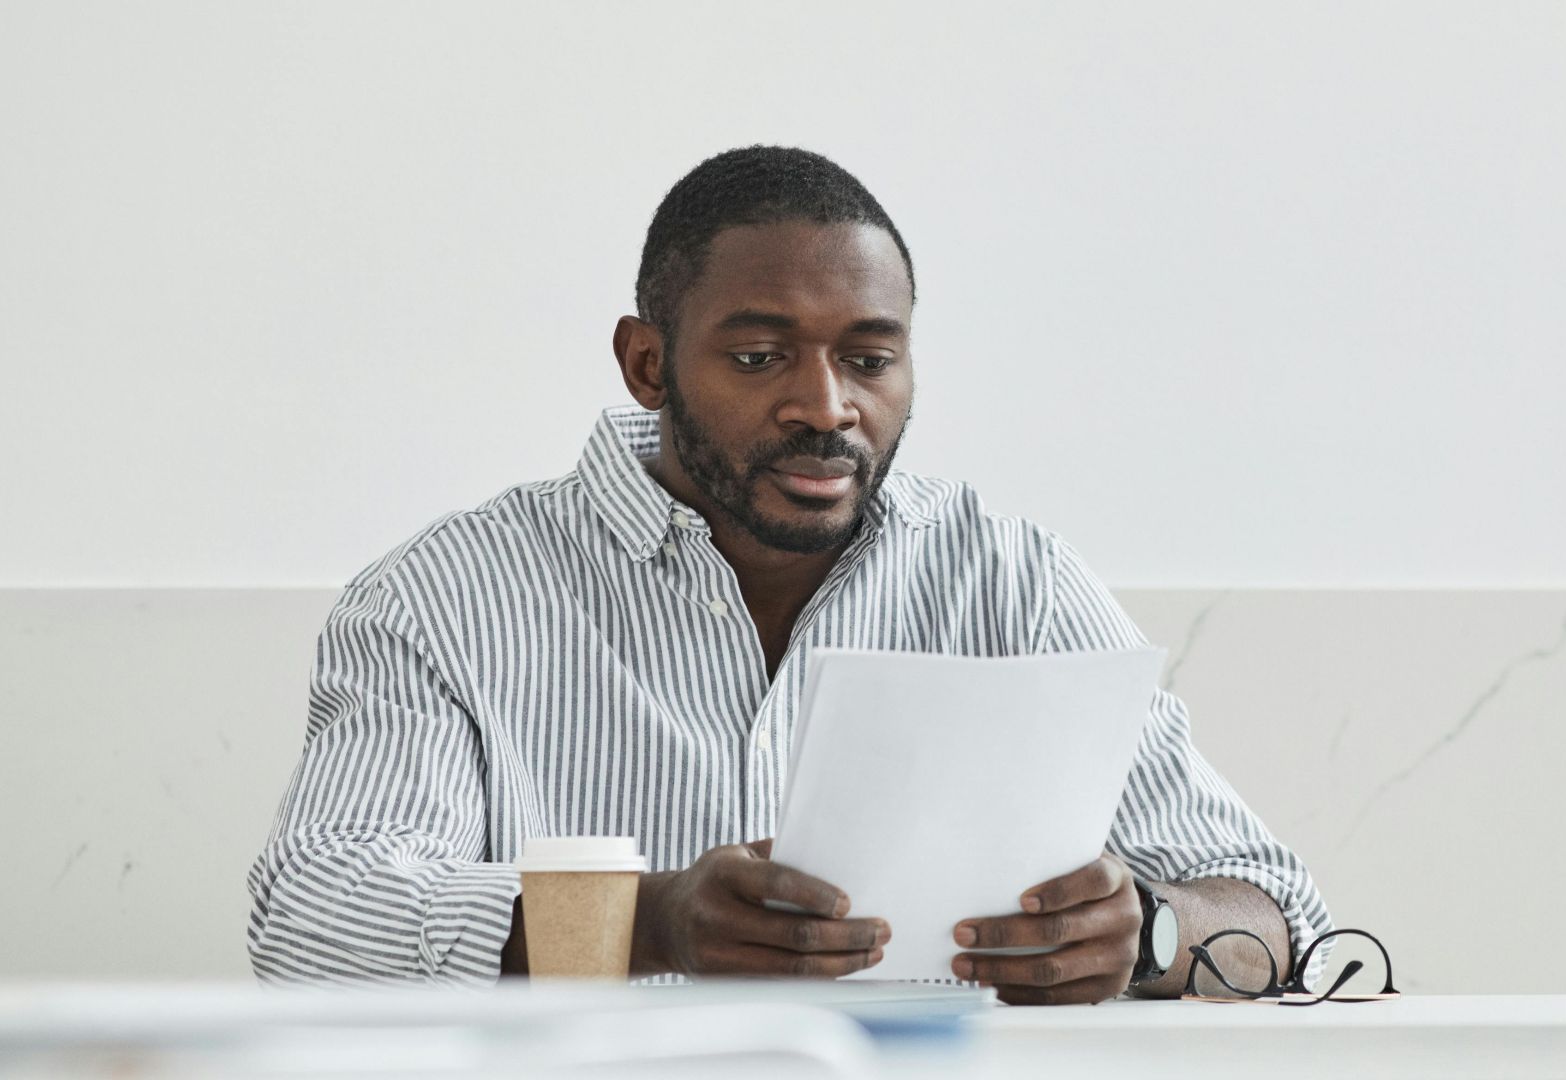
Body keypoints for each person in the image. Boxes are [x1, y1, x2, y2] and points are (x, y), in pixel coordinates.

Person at [245, 145, 1333, 1004]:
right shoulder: (443, 599)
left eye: (869, 358)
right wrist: (646, 923)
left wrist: (1153, 930)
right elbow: (314, 916)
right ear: (647, 363)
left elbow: (1283, 909)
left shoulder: (1013, 581)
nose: (827, 406)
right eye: (760, 356)